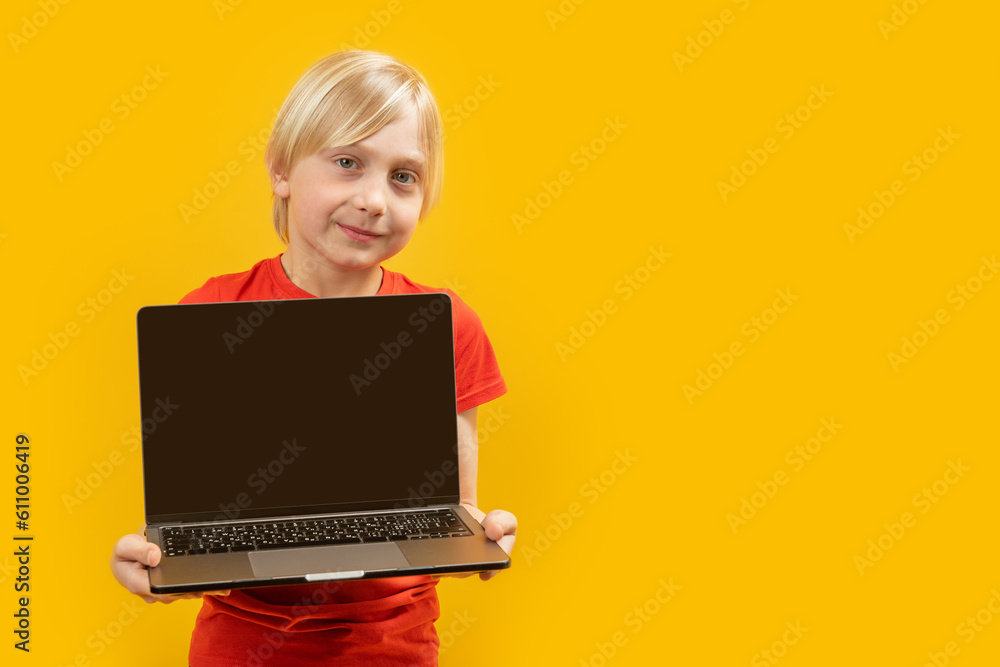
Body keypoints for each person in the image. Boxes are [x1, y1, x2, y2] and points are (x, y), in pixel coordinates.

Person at [110, 50, 517, 666]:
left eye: (403, 176)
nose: (375, 199)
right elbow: (190, 515)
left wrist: (480, 536)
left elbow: (450, 512)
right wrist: (150, 563)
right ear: (281, 168)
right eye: (348, 163)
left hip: (392, 645)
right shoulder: (211, 313)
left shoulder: (447, 325)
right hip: (243, 644)